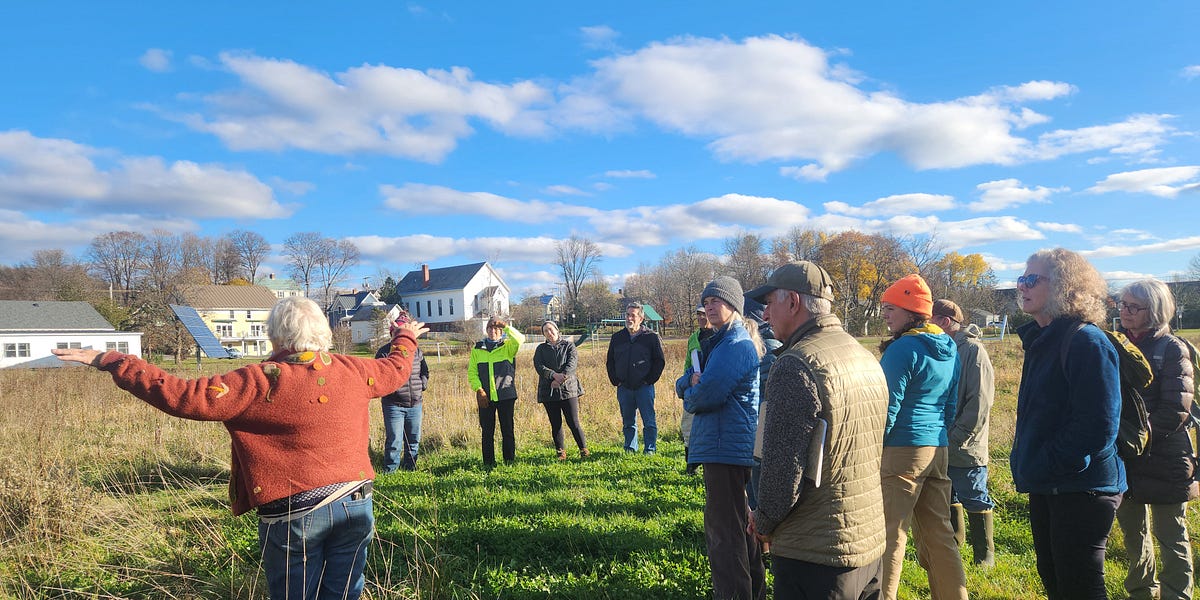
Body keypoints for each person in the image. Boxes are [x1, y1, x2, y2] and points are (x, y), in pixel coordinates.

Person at [52, 296, 428, 600]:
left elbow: (180, 395)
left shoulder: (256, 381)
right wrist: (405, 337)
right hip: (355, 502)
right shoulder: (353, 370)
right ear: (323, 332)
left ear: (275, 337)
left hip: (294, 515)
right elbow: (396, 369)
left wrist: (113, 360)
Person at [747, 262, 889, 600]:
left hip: (815, 554)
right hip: (867, 543)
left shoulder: (796, 365)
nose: (765, 315)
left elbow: (784, 467)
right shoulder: (863, 356)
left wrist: (763, 521)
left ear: (793, 302)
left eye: (770, 303)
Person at [1011, 248, 1126, 599]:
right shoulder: (1042, 339)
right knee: (1055, 581)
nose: (1022, 286)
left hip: (1082, 488)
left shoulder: (1086, 341)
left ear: (1065, 285)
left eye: (1033, 279)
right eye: (1022, 278)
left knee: (1080, 588)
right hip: (1049, 484)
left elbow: (1099, 425)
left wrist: (1048, 461)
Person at [877, 274, 966, 600]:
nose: (885, 315)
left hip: (902, 450)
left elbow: (888, 407)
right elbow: (950, 405)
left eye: (891, 308)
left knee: (891, 535)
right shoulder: (949, 348)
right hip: (937, 448)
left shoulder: (902, 349)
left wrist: (876, 449)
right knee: (939, 534)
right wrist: (937, 434)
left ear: (912, 311)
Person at [676, 276, 765, 600]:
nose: (710, 307)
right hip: (725, 445)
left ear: (734, 305)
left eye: (717, 301)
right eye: (706, 302)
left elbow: (706, 395)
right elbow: (693, 381)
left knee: (724, 536)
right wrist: (689, 383)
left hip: (723, 447)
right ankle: (753, 591)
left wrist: (689, 392)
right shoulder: (721, 342)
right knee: (739, 525)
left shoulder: (733, 344)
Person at [1114, 279, 1197, 600]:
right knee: (1133, 535)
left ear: (1156, 310)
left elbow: (1176, 409)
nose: (1125, 312)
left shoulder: (1172, 348)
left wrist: (1135, 434)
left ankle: (1177, 594)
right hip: (1127, 457)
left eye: (1133, 307)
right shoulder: (1118, 345)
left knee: (1171, 536)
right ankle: (1142, 593)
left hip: (1167, 458)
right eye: (1122, 304)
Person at [930, 298, 996, 566]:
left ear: (945, 321)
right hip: (943, 440)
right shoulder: (944, 348)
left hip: (966, 444)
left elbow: (980, 402)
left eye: (930, 320)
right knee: (949, 495)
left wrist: (957, 437)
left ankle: (984, 556)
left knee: (974, 495)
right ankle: (955, 546)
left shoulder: (973, 351)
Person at [606, 302, 666, 454]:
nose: (629, 318)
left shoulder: (651, 337)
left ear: (641, 318)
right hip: (624, 387)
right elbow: (610, 361)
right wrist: (615, 380)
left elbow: (659, 361)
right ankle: (630, 447)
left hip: (644, 387)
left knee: (649, 420)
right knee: (628, 421)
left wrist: (649, 380)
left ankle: (650, 448)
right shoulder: (617, 337)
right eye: (627, 315)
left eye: (633, 315)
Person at [375, 309, 429, 472]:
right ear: (392, 333)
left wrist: (422, 385)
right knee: (394, 440)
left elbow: (424, 371)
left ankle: (411, 467)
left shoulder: (417, 351)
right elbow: (379, 376)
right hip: (393, 405)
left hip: (415, 403)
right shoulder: (384, 352)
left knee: (413, 439)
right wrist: (391, 390)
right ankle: (391, 470)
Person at [469, 315, 525, 467]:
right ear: (486, 330)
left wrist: (506, 326)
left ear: (500, 331)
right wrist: (479, 389)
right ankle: (489, 463)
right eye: (490, 328)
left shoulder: (508, 347)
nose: (492, 331)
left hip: (505, 395)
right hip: (485, 397)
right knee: (487, 431)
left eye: (496, 328)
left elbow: (520, 339)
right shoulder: (477, 349)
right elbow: (472, 372)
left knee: (507, 430)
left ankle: (509, 461)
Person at [743, 297, 782, 510]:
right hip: (756, 428)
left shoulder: (767, 350)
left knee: (757, 490)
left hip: (760, 430)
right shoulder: (761, 345)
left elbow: (766, 397)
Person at [533, 320, 589, 460]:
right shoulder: (541, 349)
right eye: (545, 331)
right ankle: (560, 452)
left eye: (551, 329)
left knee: (573, 422)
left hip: (568, 390)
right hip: (549, 391)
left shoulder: (569, 346)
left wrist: (561, 378)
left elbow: (572, 364)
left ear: (557, 330)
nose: (549, 333)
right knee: (555, 423)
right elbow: (539, 366)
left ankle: (583, 449)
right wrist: (553, 375)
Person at [681, 303, 714, 474]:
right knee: (688, 426)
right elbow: (688, 363)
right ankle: (690, 464)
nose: (701, 318)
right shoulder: (693, 338)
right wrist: (686, 383)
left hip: (710, 387)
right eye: (698, 315)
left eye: (704, 314)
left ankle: (707, 463)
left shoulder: (717, 336)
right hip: (693, 387)